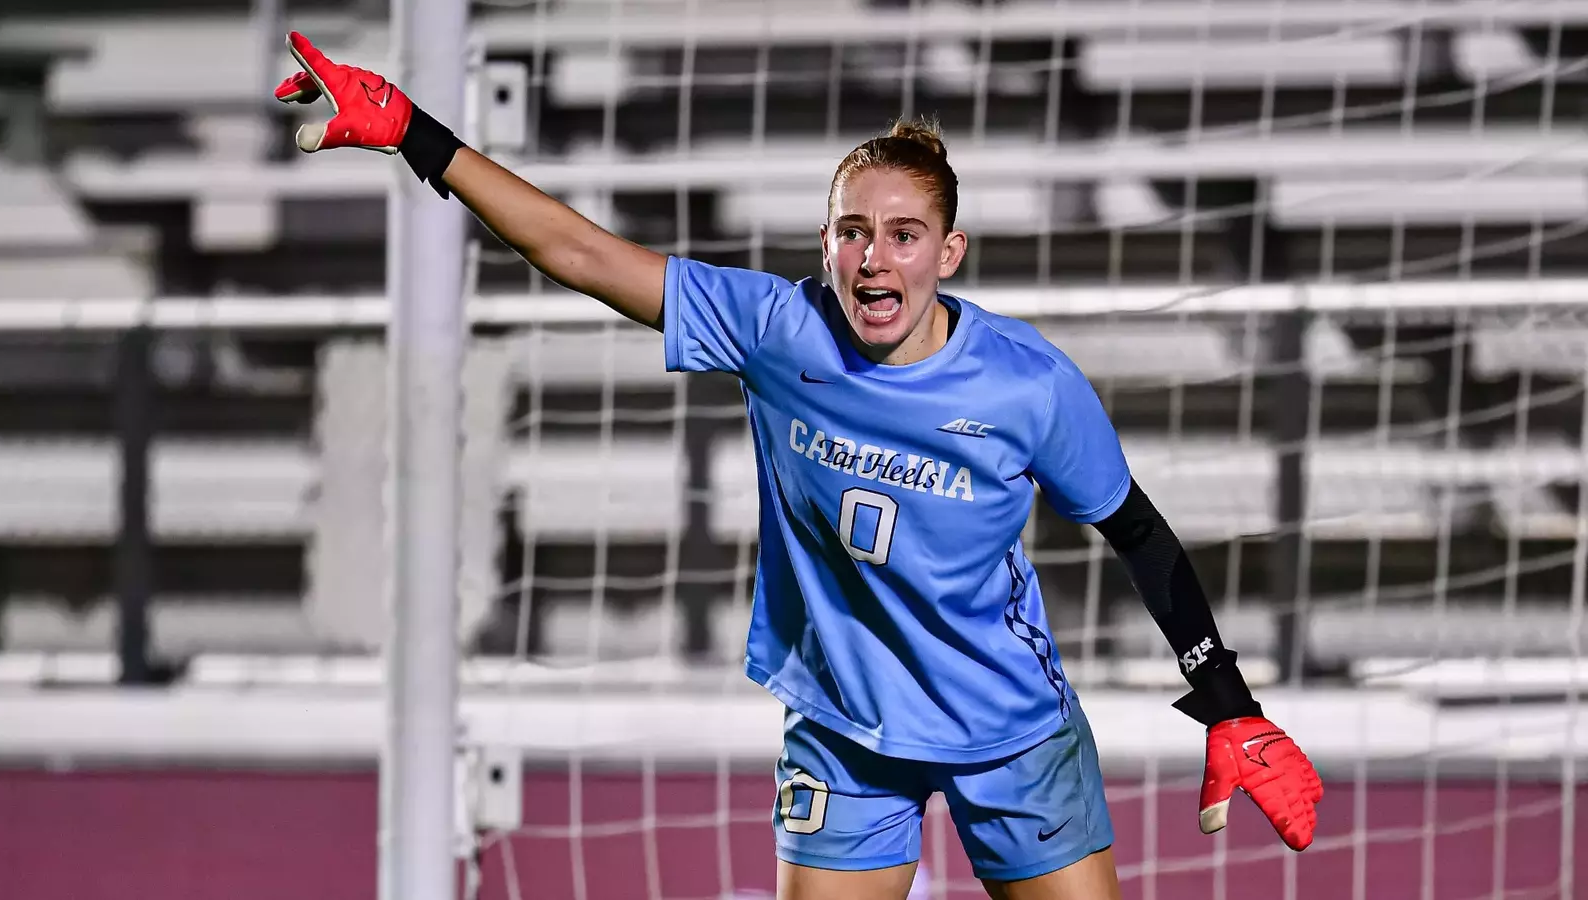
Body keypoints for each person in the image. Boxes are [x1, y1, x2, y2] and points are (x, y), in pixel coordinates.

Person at [274, 33, 1324, 900]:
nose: (876, 259)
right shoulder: (775, 330)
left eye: (905, 236)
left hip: (1007, 730)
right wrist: (418, 135)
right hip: (842, 730)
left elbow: (1136, 531)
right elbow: (581, 252)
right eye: (854, 234)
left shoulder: (1026, 385)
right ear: (823, 245)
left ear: (948, 253)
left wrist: (1228, 702)